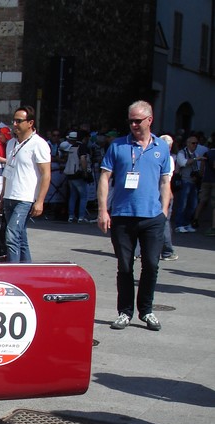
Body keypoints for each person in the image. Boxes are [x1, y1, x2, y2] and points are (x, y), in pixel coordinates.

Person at [97, 100, 172, 331]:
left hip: (152, 217)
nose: (133, 125)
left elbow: (165, 181)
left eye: (138, 121)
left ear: (150, 120)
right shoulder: (118, 146)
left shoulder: (161, 147)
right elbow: (104, 178)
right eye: (130, 121)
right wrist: (102, 210)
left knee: (151, 264)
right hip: (123, 215)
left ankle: (146, 310)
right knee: (125, 266)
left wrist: (164, 211)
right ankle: (125, 312)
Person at [0, 105, 51, 262]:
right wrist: (1, 197)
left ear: (30, 123)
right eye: (14, 120)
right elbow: (7, 172)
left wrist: (40, 201)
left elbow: (46, 174)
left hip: (25, 198)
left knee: (12, 235)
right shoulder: (11, 143)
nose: (15, 124)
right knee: (20, 237)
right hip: (9, 196)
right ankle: (28, 269)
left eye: (19, 121)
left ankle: (13, 270)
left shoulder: (39, 144)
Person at [173, 135, 206, 232]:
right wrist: (196, 159)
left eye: (196, 143)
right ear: (187, 144)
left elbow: (196, 167)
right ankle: (179, 225)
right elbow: (183, 163)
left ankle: (186, 223)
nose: (195, 145)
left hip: (193, 182)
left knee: (193, 205)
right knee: (182, 204)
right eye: (193, 143)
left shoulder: (195, 154)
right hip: (184, 181)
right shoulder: (182, 153)